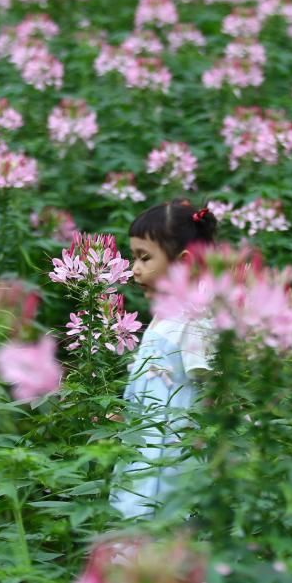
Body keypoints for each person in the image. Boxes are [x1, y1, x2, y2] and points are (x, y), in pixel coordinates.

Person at [111, 199, 218, 519]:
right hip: (147, 446)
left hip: (174, 453)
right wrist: (126, 414)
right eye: (134, 257)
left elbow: (213, 388)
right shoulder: (168, 316)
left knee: (161, 523)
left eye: (145, 257)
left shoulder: (195, 318)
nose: (135, 269)